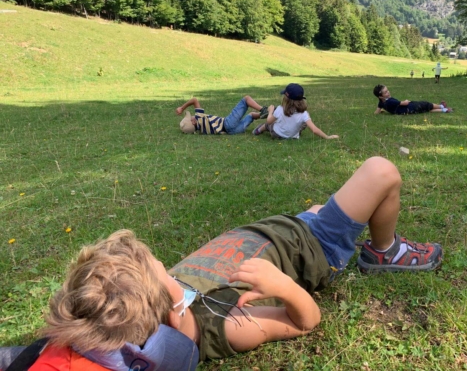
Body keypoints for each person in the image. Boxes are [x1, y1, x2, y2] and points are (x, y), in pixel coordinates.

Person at [1, 157, 442, 368]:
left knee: (344, 194)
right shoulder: (218, 324)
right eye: (155, 262)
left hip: (286, 225)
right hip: (316, 244)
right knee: (382, 172)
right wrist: (283, 285)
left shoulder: (134, 299)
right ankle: (384, 251)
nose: (159, 261)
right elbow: (303, 322)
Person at [252, 84, 339, 140]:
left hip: (277, 135)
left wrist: (270, 111)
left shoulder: (279, 109)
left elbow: (269, 121)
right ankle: (292, 132)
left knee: (269, 124)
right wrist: (327, 137)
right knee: (304, 123)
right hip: (292, 137)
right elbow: (314, 130)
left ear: (285, 98)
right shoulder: (304, 114)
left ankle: (258, 130)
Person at [176, 95, 268, 135]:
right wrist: (182, 108)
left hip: (231, 132)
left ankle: (270, 115)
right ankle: (263, 110)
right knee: (246, 99)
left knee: (251, 115)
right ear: (193, 121)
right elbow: (194, 100)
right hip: (227, 124)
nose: (192, 115)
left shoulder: (201, 130)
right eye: (191, 117)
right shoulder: (199, 118)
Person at [373, 84, 452, 115]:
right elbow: (404, 103)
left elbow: (376, 112)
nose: (388, 92)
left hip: (406, 112)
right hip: (410, 108)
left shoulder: (381, 103)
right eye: (385, 92)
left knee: (426, 110)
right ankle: (441, 106)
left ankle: (444, 110)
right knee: (426, 104)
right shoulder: (390, 101)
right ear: (381, 96)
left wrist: (381, 111)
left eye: (387, 90)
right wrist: (406, 101)